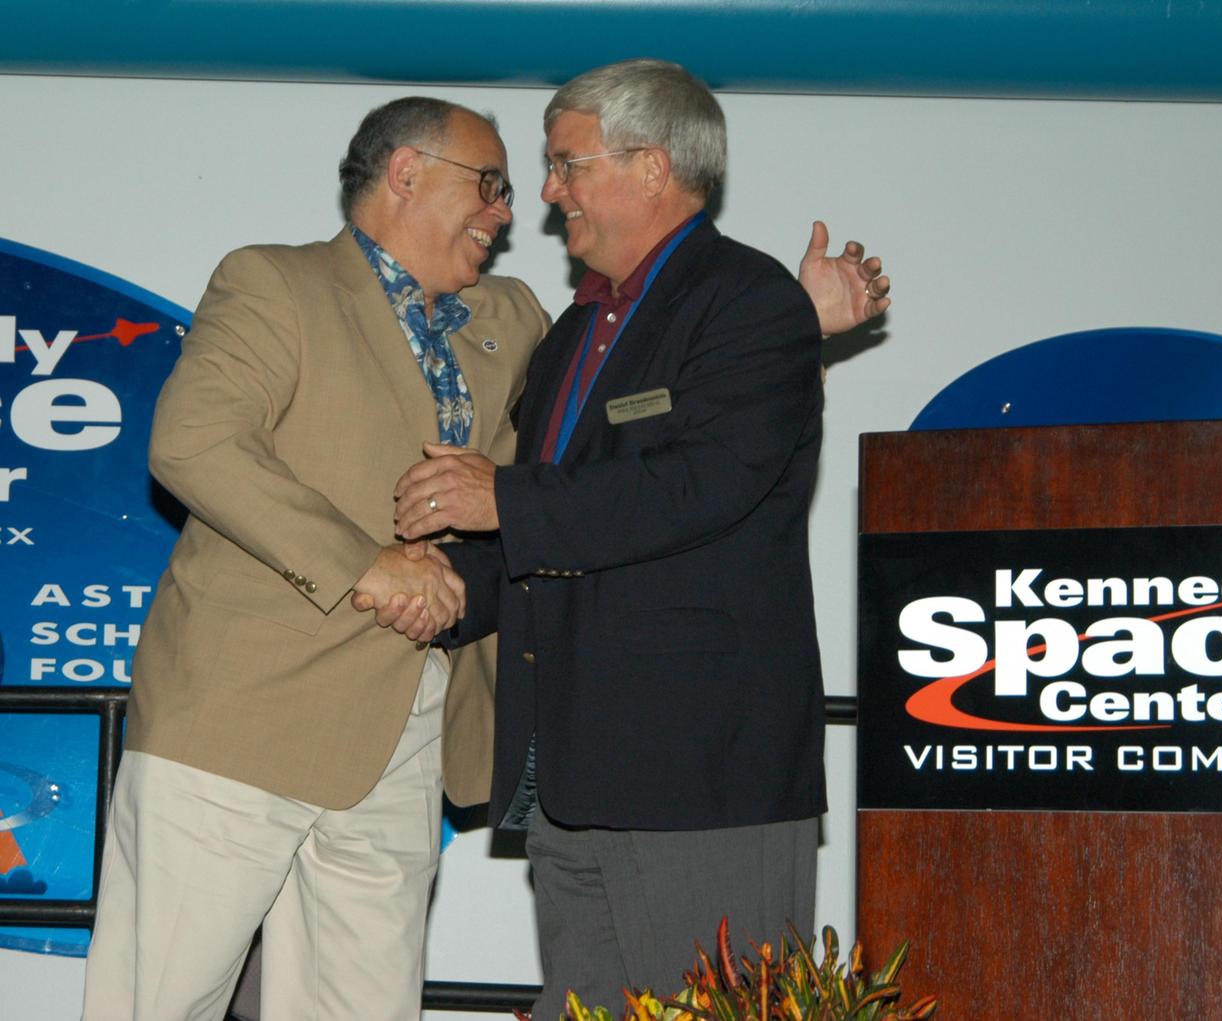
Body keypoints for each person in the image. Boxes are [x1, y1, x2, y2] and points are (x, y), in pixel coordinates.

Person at [378, 59, 886, 1018]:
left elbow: (700, 484)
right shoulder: (575, 330)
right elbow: (547, 523)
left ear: (652, 167)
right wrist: (433, 589)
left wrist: (504, 500)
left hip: (699, 772)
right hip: (574, 770)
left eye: (566, 164)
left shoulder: (749, 301)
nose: (548, 191)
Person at [82, 97, 550, 1021]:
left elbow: (612, 406)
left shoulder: (515, 316)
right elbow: (194, 441)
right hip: (238, 722)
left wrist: (792, 332)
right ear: (405, 174)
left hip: (406, 728)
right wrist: (366, 564)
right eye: (489, 184)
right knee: (157, 1003)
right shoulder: (274, 283)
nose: (507, 211)